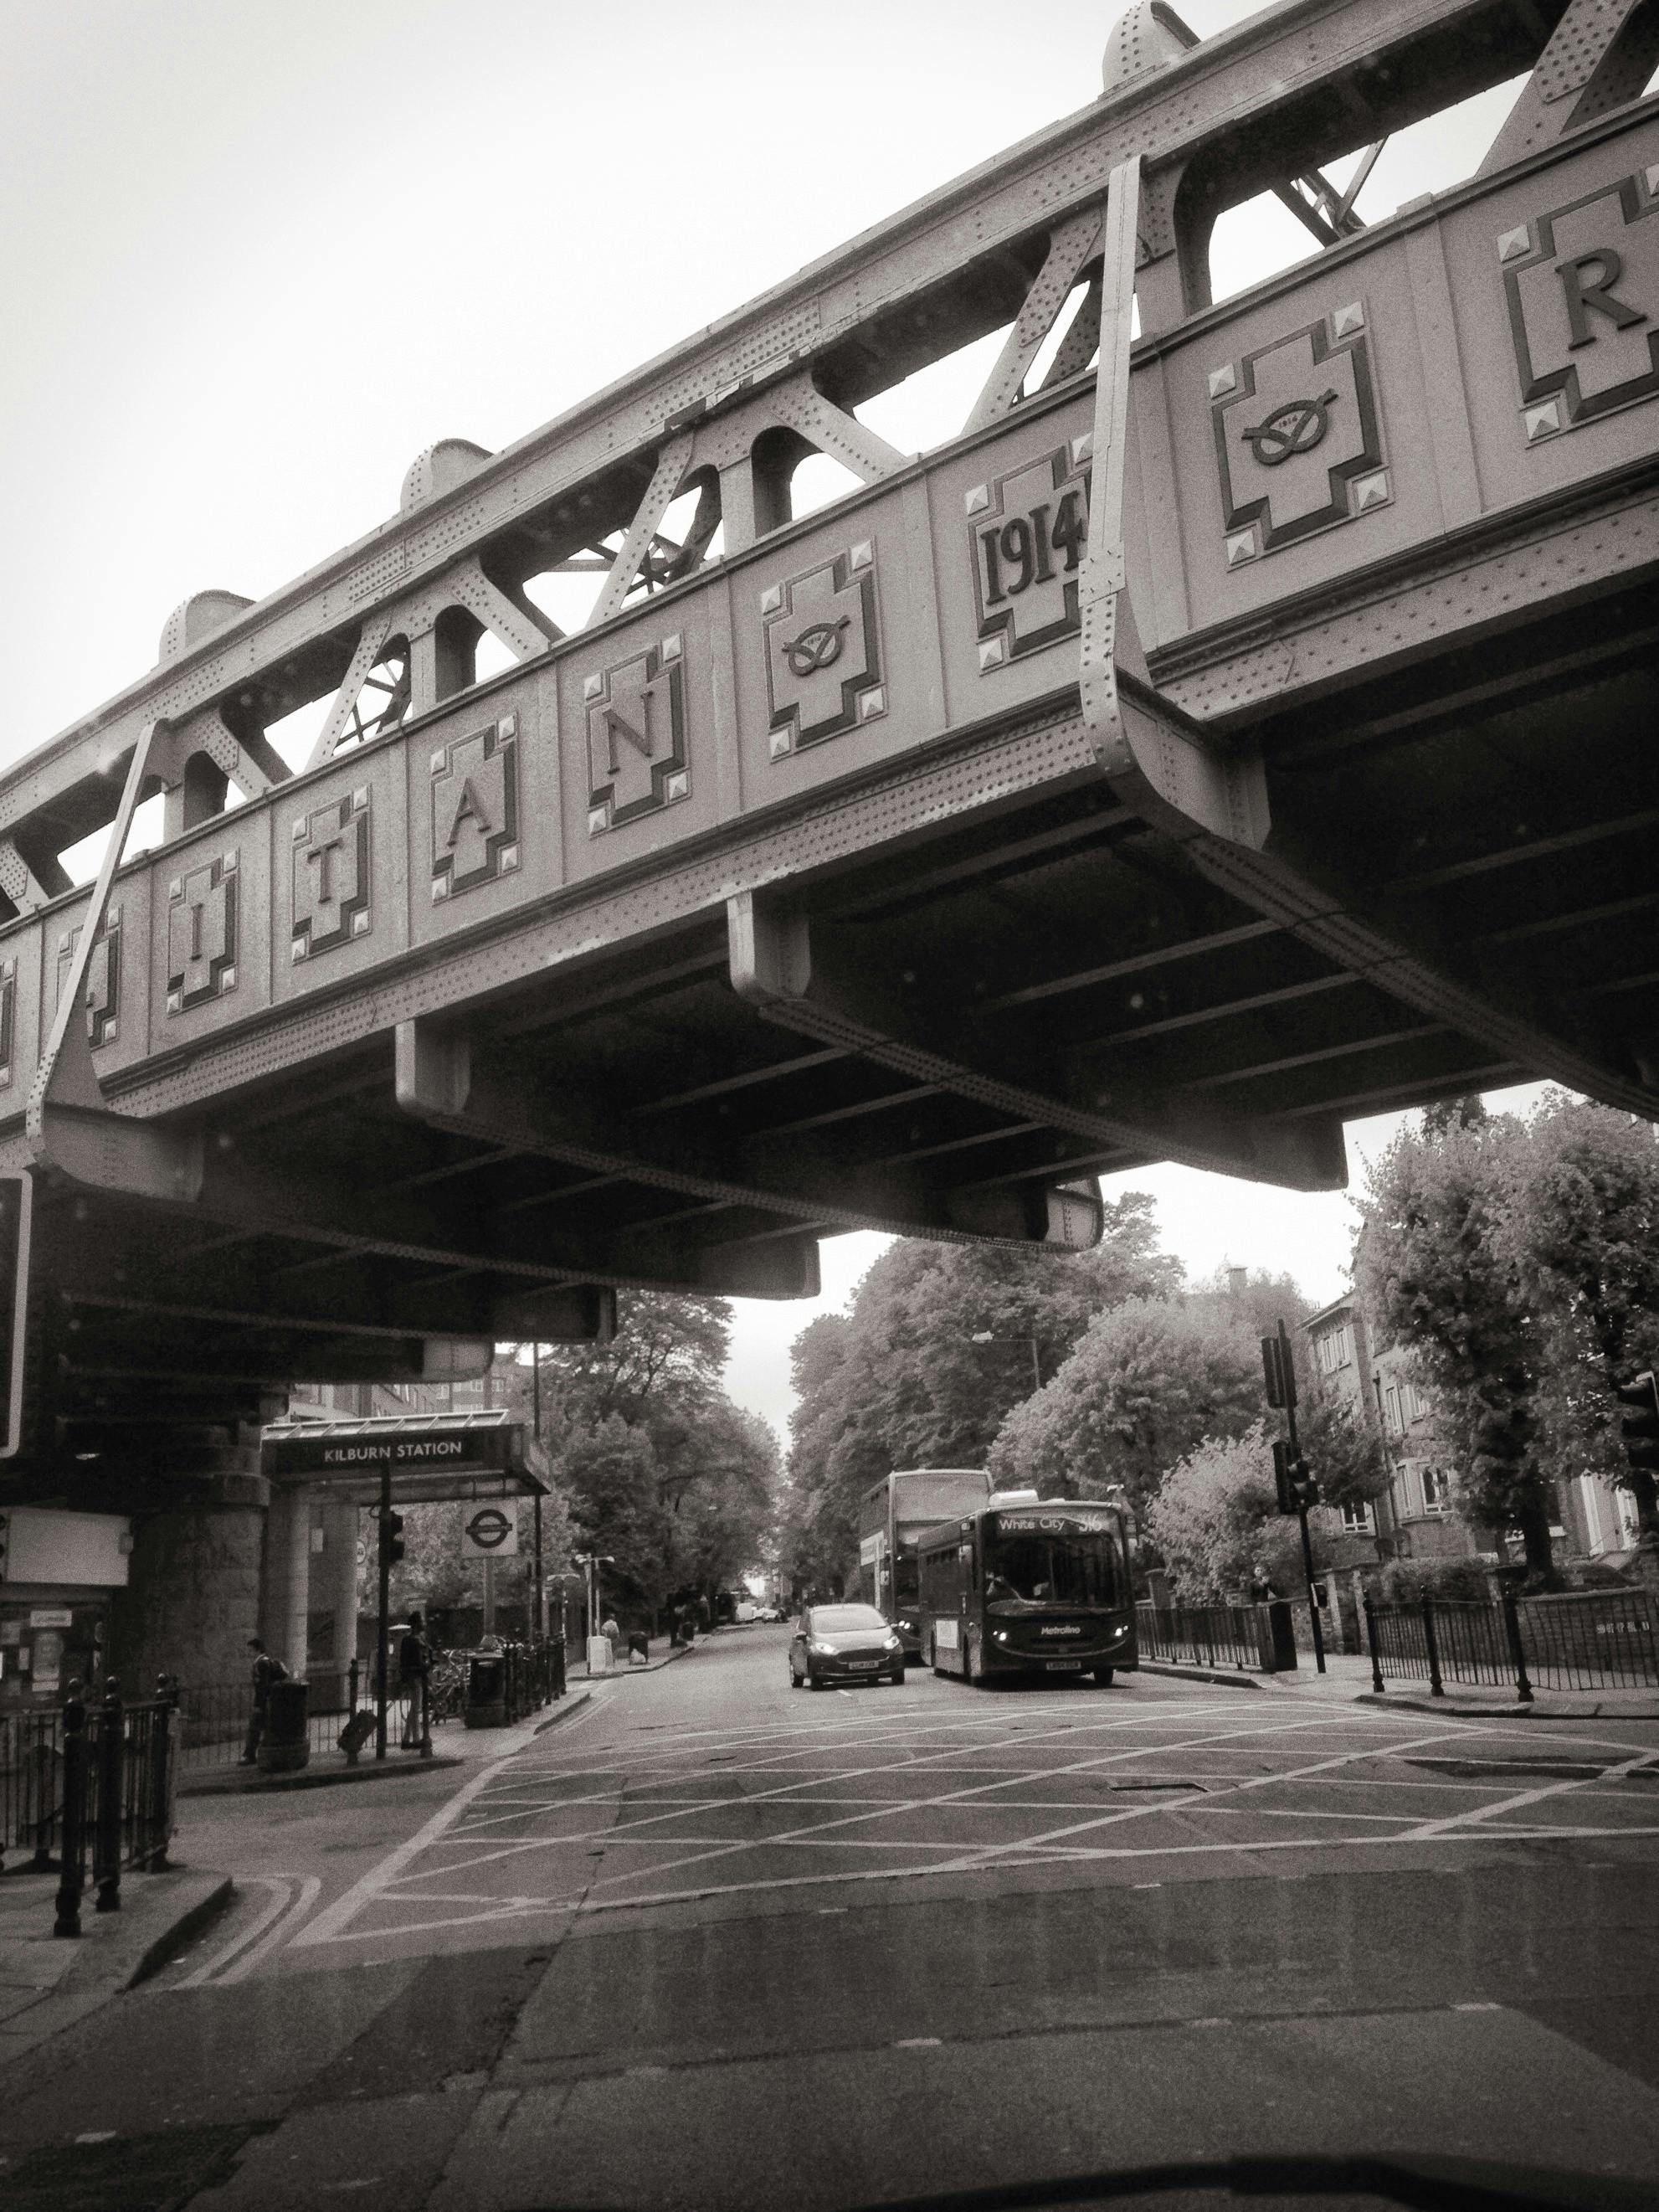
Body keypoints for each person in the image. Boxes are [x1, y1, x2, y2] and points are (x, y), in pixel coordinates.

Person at [240, 1635, 287, 1763]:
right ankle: (259, 1754)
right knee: (266, 1729)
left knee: (254, 1729)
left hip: (263, 1702)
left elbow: (263, 1686)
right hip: (267, 1701)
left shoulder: (262, 1663)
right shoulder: (263, 1661)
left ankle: (249, 1755)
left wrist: (259, 1705)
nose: (248, 1653)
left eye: (250, 1650)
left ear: (257, 1650)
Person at [398, 1611, 431, 1748]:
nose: (424, 1623)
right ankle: (415, 1738)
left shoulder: (410, 1640)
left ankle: (407, 1738)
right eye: (422, 1621)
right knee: (416, 1707)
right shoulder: (416, 1640)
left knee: (415, 1707)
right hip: (416, 1676)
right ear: (417, 1624)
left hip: (413, 1676)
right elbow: (421, 1660)